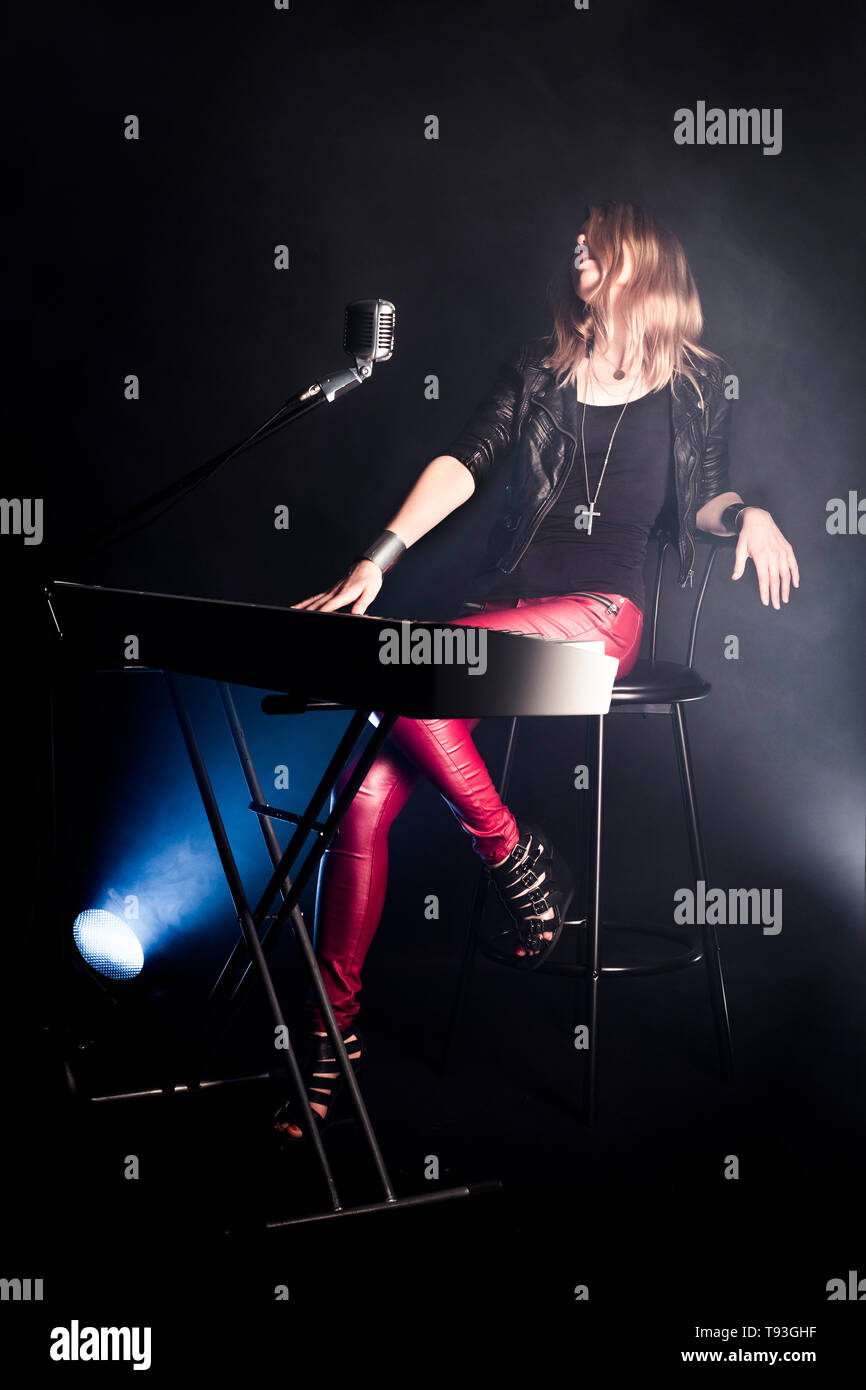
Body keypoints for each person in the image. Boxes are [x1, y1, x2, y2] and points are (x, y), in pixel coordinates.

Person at [275, 200, 799, 1138]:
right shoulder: (539, 367)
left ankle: (514, 864)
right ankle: (340, 1026)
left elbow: (706, 497)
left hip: (600, 623)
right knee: (359, 794)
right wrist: (377, 560)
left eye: (593, 249)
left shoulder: (693, 385)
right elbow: (465, 461)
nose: (578, 258)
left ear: (638, 264)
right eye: (577, 248)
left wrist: (748, 514)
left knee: (414, 681)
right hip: (494, 623)